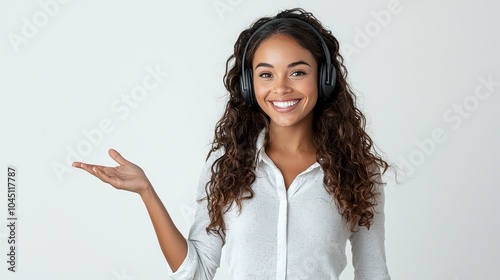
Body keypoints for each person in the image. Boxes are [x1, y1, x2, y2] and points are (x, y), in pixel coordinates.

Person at [73, 8, 392, 280]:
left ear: (324, 78)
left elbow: (374, 272)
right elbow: (196, 272)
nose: (280, 88)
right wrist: (146, 191)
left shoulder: (358, 172)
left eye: (297, 72)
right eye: (266, 74)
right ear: (248, 85)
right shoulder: (227, 167)